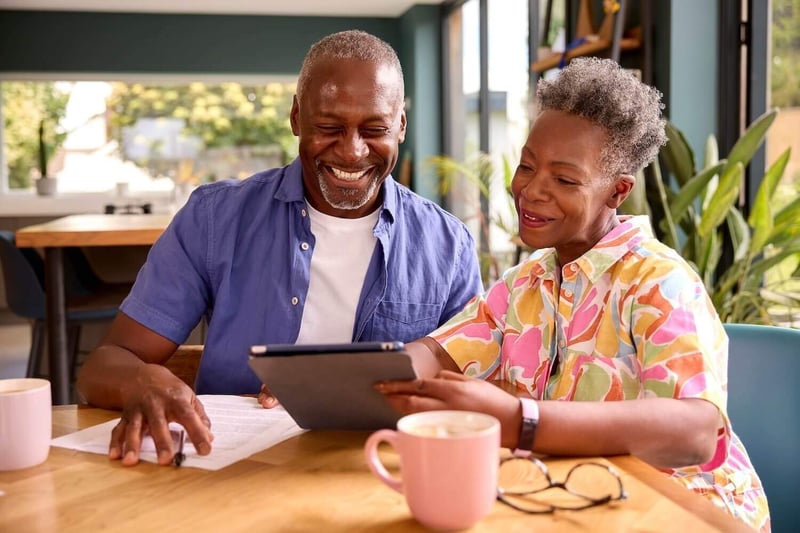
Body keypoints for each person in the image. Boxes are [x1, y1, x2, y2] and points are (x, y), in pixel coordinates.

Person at [376, 58, 770, 531]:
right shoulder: (523, 284)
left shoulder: (660, 281)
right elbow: (433, 356)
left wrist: (524, 420)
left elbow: (698, 432)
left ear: (617, 192)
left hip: (684, 510)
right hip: (577, 496)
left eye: (564, 180)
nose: (531, 191)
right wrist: (335, 380)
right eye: (527, 166)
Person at [76, 30, 482, 467]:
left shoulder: (448, 246)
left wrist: (348, 392)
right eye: (329, 127)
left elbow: (476, 391)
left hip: (377, 471)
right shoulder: (214, 219)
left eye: (374, 129)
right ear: (295, 117)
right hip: (231, 471)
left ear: (401, 124)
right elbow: (102, 365)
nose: (351, 151)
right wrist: (143, 380)